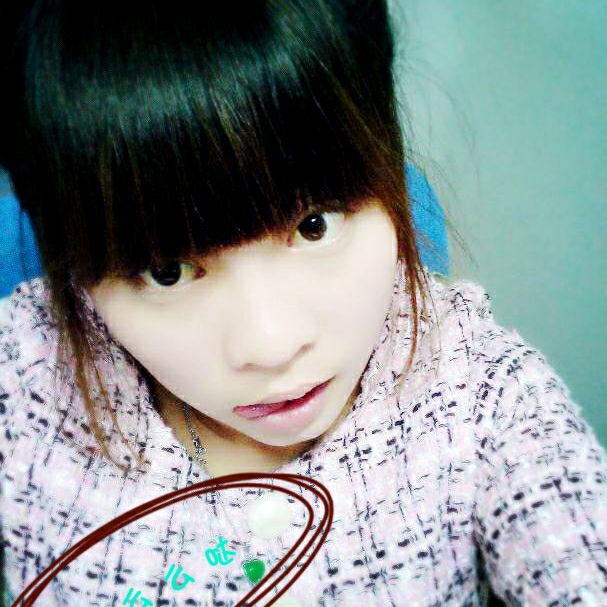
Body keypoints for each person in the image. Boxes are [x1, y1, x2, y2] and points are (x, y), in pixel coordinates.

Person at [0, 1, 605, 606]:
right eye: (168, 271)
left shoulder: (476, 387)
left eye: (314, 226)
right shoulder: (26, 384)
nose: (272, 344)